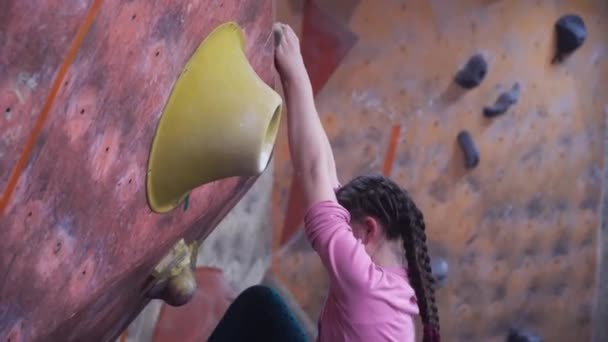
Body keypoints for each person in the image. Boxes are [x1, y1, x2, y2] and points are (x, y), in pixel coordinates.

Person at [209, 22, 440, 342]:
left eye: (348, 224)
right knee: (262, 306)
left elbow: (315, 170)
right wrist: (291, 81)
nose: (341, 226)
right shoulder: (395, 285)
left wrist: (297, 72)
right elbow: (325, 173)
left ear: (370, 229)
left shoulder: (363, 283)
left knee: (260, 307)